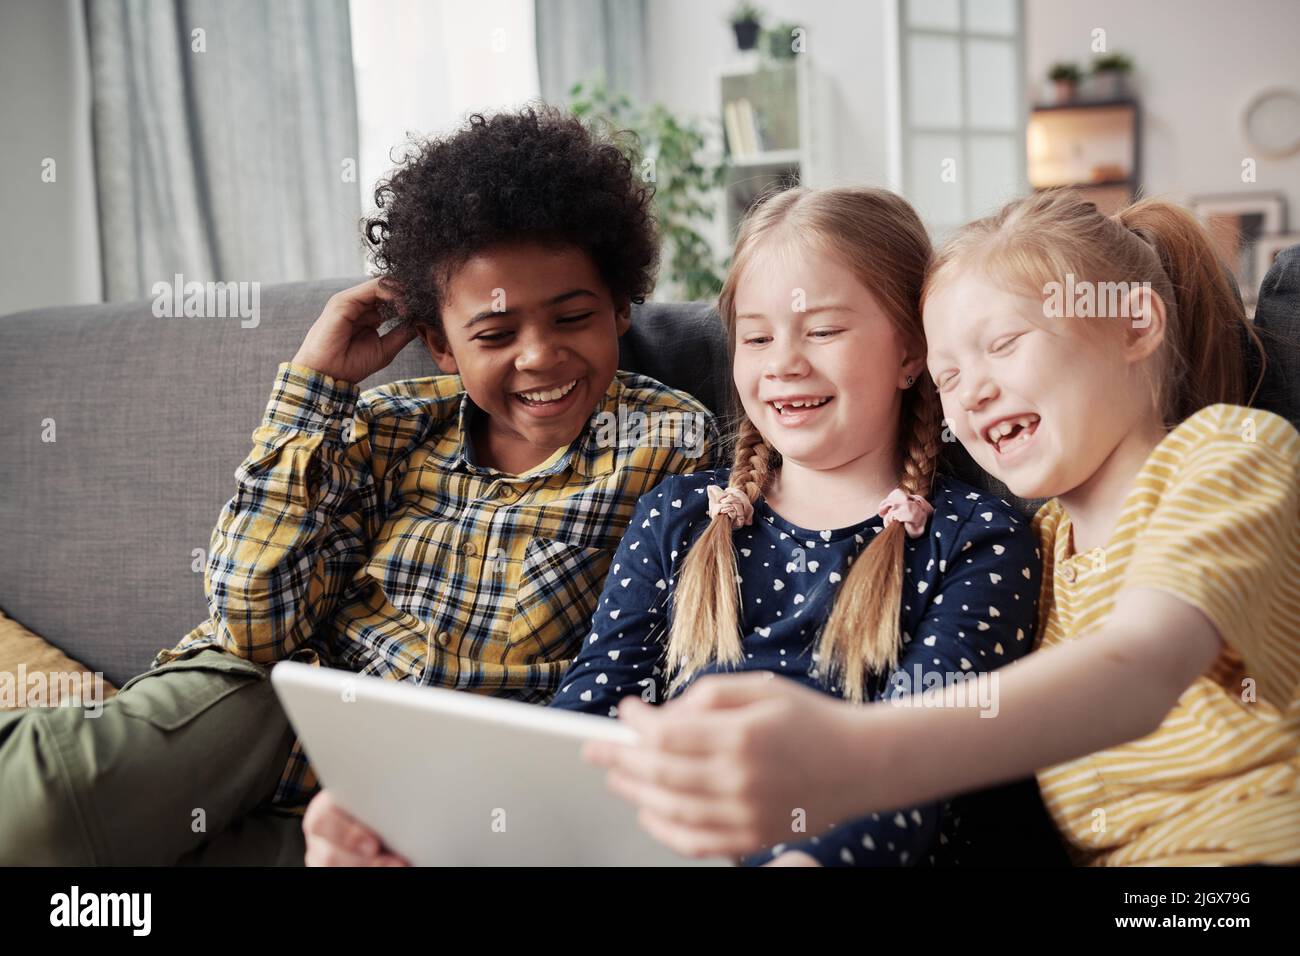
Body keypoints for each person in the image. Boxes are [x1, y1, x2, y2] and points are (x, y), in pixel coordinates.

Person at [0, 106, 716, 865]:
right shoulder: (388, 426)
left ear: (620, 307)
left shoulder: (666, 440)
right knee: (34, 820)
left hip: (410, 784)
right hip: (264, 701)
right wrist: (312, 390)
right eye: (496, 335)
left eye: (573, 317)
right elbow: (255, 623)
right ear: (440, 343)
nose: (539, 357)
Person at [303, 186, 1042, 867]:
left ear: (911, 351)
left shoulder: (977, 537)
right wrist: (436, 829)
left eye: (821, 331)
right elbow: (590, 719)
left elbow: (911, 774)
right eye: (756, 339)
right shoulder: (683, 513)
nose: (783, 364)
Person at [584, 190, 1299, 867]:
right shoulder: (1045, 546)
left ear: (1134, 324)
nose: (974, 390)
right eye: (949, 376)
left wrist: (844, 753)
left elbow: (1139, 675)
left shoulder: (1229, 454)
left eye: (1006, 343)